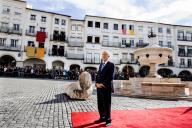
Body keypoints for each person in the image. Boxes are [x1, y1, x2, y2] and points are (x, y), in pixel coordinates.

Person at [95, 50, 115, 127]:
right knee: (100, 104)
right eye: (102, 54)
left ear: (108, 56)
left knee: (107, 104)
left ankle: (108, 120)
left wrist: (102, 84)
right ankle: (102, 117)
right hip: (99, 88)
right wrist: (96, 84)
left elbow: (111, 77)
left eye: (105, 54)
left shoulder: (111, 65)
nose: (103, 56)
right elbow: (98, 75)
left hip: (106, 88)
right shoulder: (101, 65)